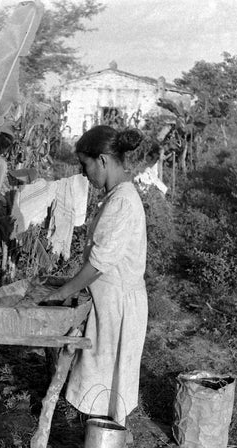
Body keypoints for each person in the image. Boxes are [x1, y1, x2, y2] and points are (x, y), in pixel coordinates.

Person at [41, 125, 148, 427]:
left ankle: (111, 445)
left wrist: (64, 292)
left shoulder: (122, 202)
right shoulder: (116, 197)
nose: (84, 173)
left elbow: (98, 263)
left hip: (118, 305)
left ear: (102, 160)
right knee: (106, 378)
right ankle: (110, 439)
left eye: (85, 164)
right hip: (109, 299)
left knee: (108, 378)